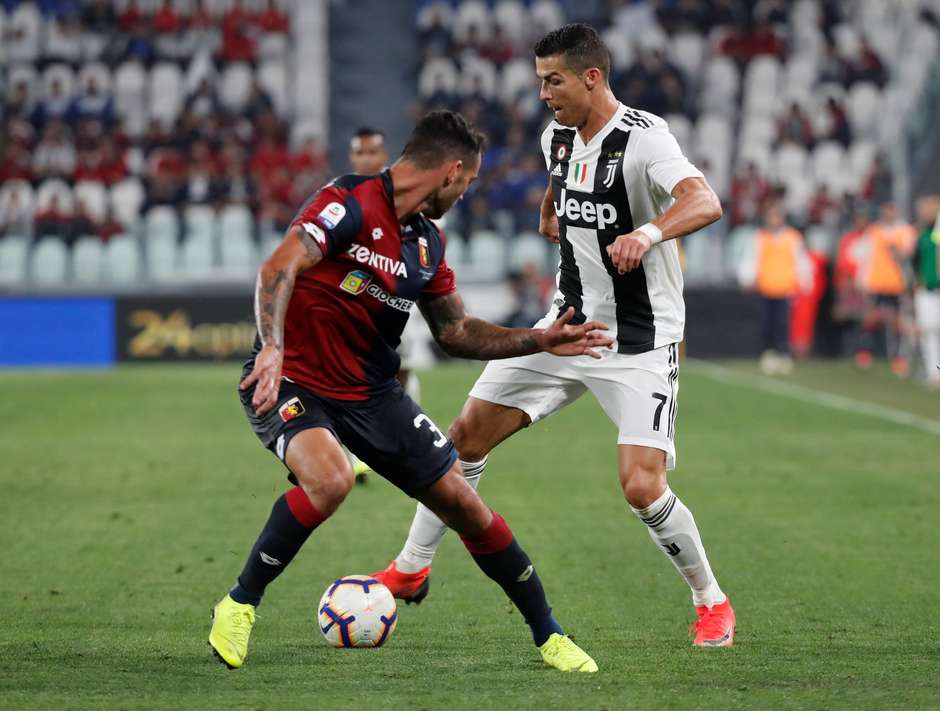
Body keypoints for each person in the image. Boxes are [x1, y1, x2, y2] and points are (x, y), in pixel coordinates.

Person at [208, 110, 612, 673]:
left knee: (465, 506)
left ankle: (549, 634)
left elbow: (457, 333)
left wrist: (540, 339)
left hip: (373, 395)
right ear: (450, 172)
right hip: (292, 377)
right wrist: (272, 347)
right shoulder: (347, 201)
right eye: (467, 184)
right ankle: (239, 604)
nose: (464, 195)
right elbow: (277, 268)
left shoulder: (426, 244)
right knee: (330, 478)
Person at [373, 24, 736, 648]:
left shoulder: (646, 140)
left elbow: (705, 201)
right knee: (463, 437)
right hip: (565, 327)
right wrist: (551, 208)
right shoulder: (558, 137)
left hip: (640, 341)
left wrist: (648, 234)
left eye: (554, 80)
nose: (542, 92)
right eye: (540, 79)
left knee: (642, 486)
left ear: (591, 77)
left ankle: (712, 602)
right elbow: (563, 181)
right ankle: (411, 569)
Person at [347, 126, 420, 484]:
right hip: (353, 304)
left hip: (398, 302)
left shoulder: (402, 197)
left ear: (383, 156)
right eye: (359, 153)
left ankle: (403, 441)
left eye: (371, 153)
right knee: (349, 376)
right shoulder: (341, 196)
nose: (365, 159)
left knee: (402, 371)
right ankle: (359, 456)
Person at [738, 201, 812, 374]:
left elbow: (801, 261)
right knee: (766, 324)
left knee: (783, 324)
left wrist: (805, 282)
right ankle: (768, 353)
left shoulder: (792, 237)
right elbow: (751, 259)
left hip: (785, 289)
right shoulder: (760, 237)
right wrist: (747, 278)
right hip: (766, 288)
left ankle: (784, 354)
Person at [854, 201, 917, 375]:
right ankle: (865, 350)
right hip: (876, 281)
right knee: (871, 317)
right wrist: (862, 280)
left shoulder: (904, 231)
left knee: (897, 320)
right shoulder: (874, 231)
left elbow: (909, 253)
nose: (887, 213)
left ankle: (898, 356)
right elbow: (862, 255)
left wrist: (897, 252)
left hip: (897, 283)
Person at [912, 195, 940, 389]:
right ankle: (934, 373)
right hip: (927, 290)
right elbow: (916, 261)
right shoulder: (921, 235)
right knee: (929, 331)